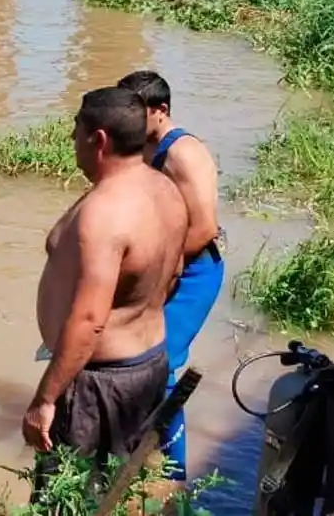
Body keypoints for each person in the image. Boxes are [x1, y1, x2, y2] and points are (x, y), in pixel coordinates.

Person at [25, 87, 190, 493]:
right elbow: (175, 272)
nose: (71, 142)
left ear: (97, 139)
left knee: (66, 497)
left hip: (98, 383)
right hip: (148, 364)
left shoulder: (104, 213)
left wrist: (46, 399)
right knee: (115, 488)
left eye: (75, 132)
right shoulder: (165, 189)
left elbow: (89, 320)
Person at [116, 70, 226, 483]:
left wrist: (162, 276)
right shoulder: (147, 145)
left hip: (193, 272)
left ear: (161, 111)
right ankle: (137, 453)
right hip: (164, 269)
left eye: (136, 112)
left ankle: (175, 474)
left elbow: (204, 228)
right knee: (131, 361)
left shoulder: (183, 153)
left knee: (161, 368)